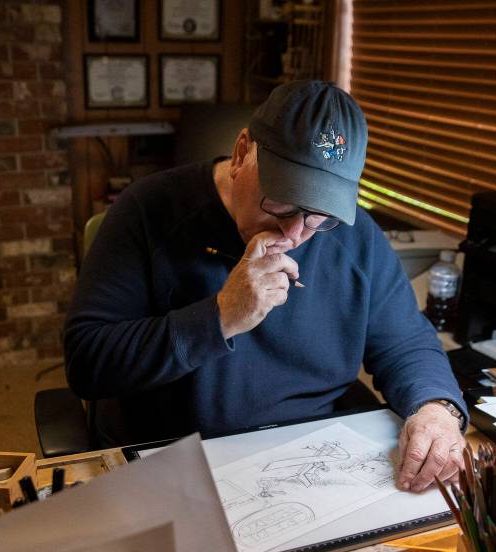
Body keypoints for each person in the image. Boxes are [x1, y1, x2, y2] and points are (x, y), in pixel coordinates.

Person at [65, 80, 467, 492]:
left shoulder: (355, 237)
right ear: (242, 152)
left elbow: (406, 344)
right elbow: (88, 362)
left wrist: (436, 409)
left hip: (311, 460)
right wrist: (220, 317)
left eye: (318, 214)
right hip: (174, 457)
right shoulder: (148, 210)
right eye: (283, 201)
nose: (294, 232)